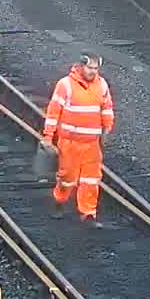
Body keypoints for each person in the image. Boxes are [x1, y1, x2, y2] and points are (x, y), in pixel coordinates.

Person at [42, 53, 114, 226]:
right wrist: (48, 136)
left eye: (96, 68)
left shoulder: (102, 85)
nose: (93, 72)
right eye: (90, 68)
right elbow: (53, 112)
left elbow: (107, 108)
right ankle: (59, 202)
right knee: (67, 177)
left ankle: (88, 214)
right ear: (80, 66)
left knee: (91, 180)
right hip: (70, 143)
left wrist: (107, 129)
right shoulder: (65, 85)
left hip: (91, 144)